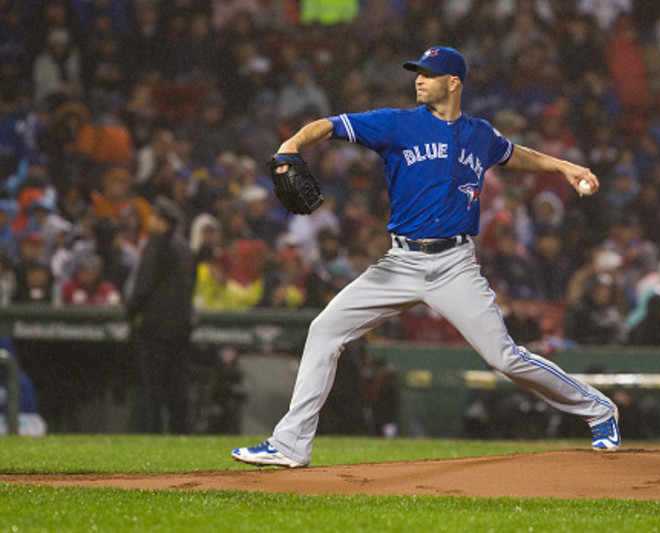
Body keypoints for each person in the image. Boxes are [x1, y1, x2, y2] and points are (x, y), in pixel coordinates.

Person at [232, 46, 620, 468]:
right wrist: (291, 144)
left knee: (503, 357)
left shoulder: (480, 134)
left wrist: (564, 167)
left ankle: (600, 412)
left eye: (428, 74)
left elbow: (513, 153)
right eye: (417, 72)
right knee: (325, 329)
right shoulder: (397, 124)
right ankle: (291, 443)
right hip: (399, 263)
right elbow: (330, 125)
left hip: (455, 265)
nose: (418, 79)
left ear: (453, 83)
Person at [126, 196, 197, 434]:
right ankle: (181, 435)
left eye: (154, 217)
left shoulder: (156, 244)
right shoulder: (184, 247)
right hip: (181, 327)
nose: (151, 221)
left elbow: (143, 285)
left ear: (162, 220)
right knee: (178, 387)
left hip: (155, 327)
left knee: (153, 388)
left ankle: (153, 433)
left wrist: (131, 311)